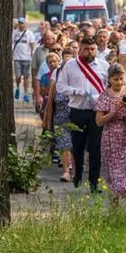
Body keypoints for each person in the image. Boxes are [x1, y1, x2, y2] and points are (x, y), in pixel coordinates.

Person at [54, 35, 110, 192]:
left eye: (92, 49)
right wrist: (77, 91)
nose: (89, 52)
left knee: (95, 147)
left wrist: (102, 97)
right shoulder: (71, 65)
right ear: (80, 48)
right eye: (86, 49)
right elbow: (60, 86)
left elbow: (109, 88)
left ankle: (94, 182)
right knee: (77, 146)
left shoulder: (104, 65)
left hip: (96, 112)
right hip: (77, 110)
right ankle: (77, 174)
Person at [95, 63, 126, 210]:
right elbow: (99, 121)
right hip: (111, 137)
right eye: (116, 79)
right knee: (114, 171)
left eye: (121, 79)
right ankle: (114, 206)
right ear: (109, 80)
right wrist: (114, 111)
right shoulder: (104, 96)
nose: (119, 82)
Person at [41, 49, 74, 183]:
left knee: (76, 145)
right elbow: (50, 102)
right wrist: (46, 119)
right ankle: (66, 172)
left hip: (76, 117)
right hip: (60, 118)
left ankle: (76, 172)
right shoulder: (56, 81)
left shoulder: (77, 81)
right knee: (64, 144)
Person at [11, 18, 35, 102]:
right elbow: (12, 43)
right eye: (20, 23)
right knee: (18, 76)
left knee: (26, 76)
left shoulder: (29, 33)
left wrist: (31, 54)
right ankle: (17, 88)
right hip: (17, 57)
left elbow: (32, 44)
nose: (21, 25)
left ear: (25, 24)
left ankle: (25, 93)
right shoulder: (14, 32)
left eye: (22, 23)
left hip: (26, 58)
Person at [32, 31, 56, 112]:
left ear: (53, 39)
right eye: (45, 39)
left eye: (49, 39)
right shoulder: (38, 50)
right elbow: (34, 68)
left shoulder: (57, 50)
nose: (47, 41)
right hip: (42, 83)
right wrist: (34, 84)